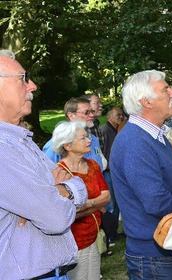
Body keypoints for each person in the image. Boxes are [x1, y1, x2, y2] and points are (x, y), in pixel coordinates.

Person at [0, 49, 88, 279]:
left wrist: (57, 192)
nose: (33, 86)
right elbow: (56, 218)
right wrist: (59, 192)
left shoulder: (19, 141)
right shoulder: (3, 148)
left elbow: (79, 183)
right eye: (22, 79)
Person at [110, 70, 172, 278]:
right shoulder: (135, 142)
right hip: (154, 255)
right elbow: (156, 201)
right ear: (147, 102)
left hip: (165, 249)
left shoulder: (152, 135)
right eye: (165, 89)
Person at [52, 121, 111, 280]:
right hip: (74, 241)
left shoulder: (92, 165)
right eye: (83, 138)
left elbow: (106, 197)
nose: (89, 140)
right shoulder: (59, 173)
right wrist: (96, 205)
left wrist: (86, 206)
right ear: (68, 146)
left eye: (87, 136)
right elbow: (68, 213)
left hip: (94, 236)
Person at [43, 97, 106, 171]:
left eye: (92, 111)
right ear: (71, 115)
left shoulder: (93, 139)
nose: (92, 115)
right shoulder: (56, 144)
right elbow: (47, 175)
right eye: (86, 112)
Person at [99, 107, 124, 224]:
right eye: (118, 115)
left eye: (122, 115)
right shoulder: (103, 130)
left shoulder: (118, 130)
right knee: (111, 204)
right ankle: (110, 233)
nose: (121, 117)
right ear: (109, 117)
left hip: (116, 171)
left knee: (118, 201)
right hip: (108, 172)